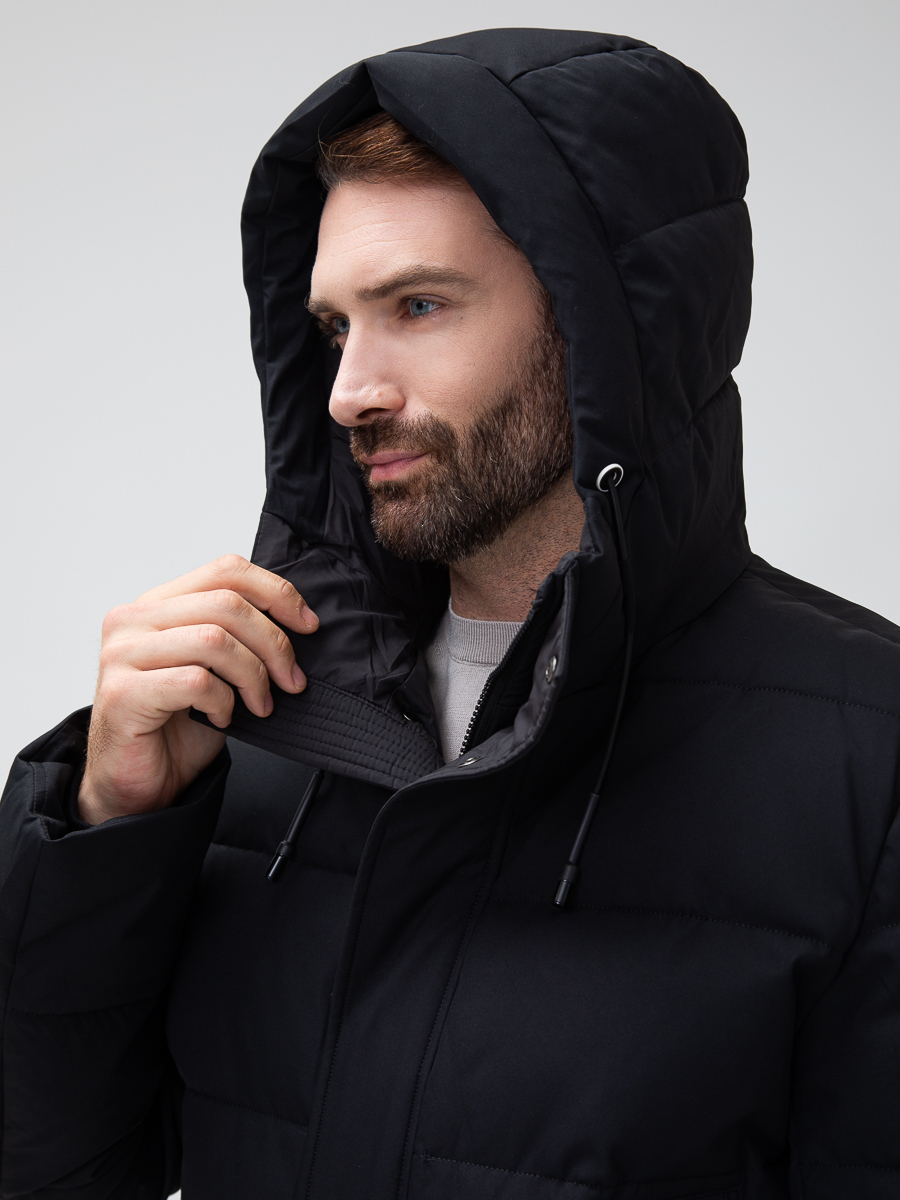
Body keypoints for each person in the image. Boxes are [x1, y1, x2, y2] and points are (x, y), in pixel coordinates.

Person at [1, 26, 898, 1200]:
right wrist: (109, 830)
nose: (349, 392)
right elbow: (56, 1172)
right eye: (335, 327)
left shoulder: (869, 757)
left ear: (607, 328)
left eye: (418, 305)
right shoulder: (254, 710)